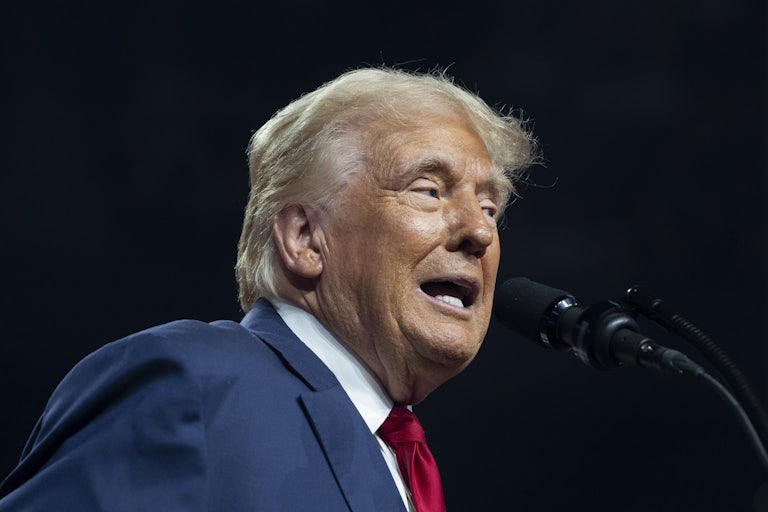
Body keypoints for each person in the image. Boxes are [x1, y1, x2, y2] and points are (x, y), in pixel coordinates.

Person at [0, 67, 534, 511]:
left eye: (490, 207)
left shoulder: (400, 460)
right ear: (305, 238)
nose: (480, 231)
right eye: (429, 190)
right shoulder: (193, 385)